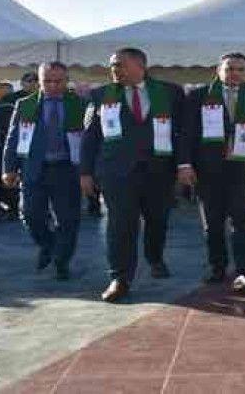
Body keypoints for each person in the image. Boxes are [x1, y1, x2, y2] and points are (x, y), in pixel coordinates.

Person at [80, 47, 187, 302]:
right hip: (116, 172)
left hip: (159, 171)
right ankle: (120, 277)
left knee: (157, 220)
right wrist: (85, 172)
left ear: (140, 66)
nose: (114, 70)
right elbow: (90, 137)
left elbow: (182, 133)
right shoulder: (100, 95)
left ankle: (154, 256)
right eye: (112, 65)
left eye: (119, 64)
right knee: (120, 224)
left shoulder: (170, 93)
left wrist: (184, 165)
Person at [180, 52, 245, 288]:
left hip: (244, 171)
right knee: (213, 223)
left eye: (240, 69)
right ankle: (216, 267)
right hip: (208, 171)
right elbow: (187, 133)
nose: (235, 74)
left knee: (243, 222)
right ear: (218, 69)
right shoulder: (199, 96)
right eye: (230, 68)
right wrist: (185, 164)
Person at [3, 62, 84, 280]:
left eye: (58, 81)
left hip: (66, 169)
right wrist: (9, 168)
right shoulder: (25, 104)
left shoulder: (79, 104)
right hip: (34, 168)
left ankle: (61, 260)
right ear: (39, 82)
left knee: (68, 220)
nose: (53, 86)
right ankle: (48, 245)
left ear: (66, 81)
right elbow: (12, 139)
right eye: (47, 81)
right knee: (30, 215)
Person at [0, 81, 20, 219]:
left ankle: (13, 205)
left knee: (9, 175)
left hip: (7, 144)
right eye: (3, 88)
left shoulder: (11, 104)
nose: (8, 90)